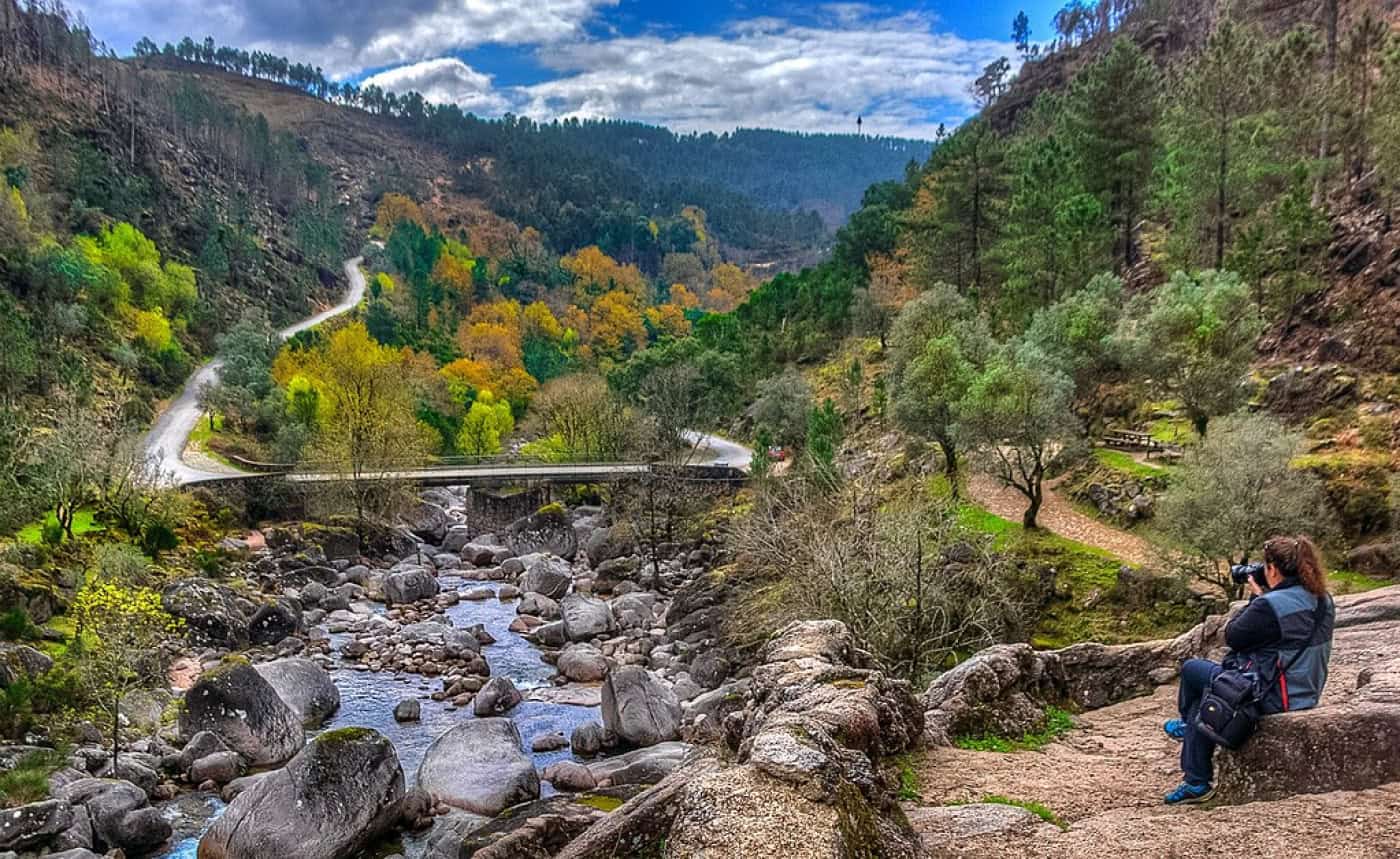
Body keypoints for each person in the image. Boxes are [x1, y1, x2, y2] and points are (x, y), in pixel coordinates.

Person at [1162, 535, 1335, 805]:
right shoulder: (1323, 599)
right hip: (1305, 690)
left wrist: (1257, 599)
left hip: (1271, 694)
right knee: (1208, 692)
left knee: (1193, 670)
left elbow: (1232, 636)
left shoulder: (1270, 606)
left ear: (1273, 569)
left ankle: (1192, 754)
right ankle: (1195, 780)